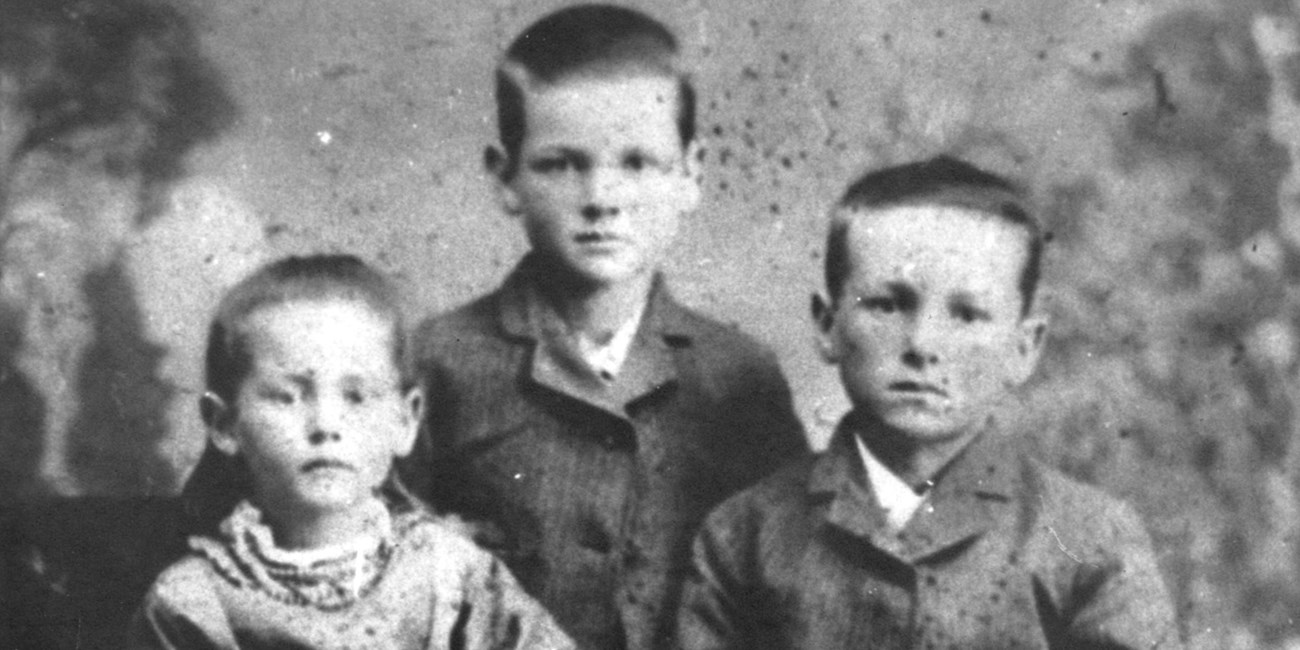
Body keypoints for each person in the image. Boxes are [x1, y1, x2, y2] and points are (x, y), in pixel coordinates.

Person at [396, 5, 807, 649]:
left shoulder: (741, 376)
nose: (601, 198)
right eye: (561, 164)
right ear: (504, 177)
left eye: (638, 162)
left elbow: (790, 578)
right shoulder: (436, 361)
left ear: (691, 174)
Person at [676, 156, 1184, 649]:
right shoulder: (743, 536)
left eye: (967, 314)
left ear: (1024, 347)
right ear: (828, 325)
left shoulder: (1090, 540)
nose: (922, 344)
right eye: (887, 304)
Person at [131, 255, 573, 649]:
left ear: (406, 421)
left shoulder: (451, 573)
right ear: (224, 425)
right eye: (287, 397)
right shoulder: (193, 603)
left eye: (357, 396)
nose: (326, 425)